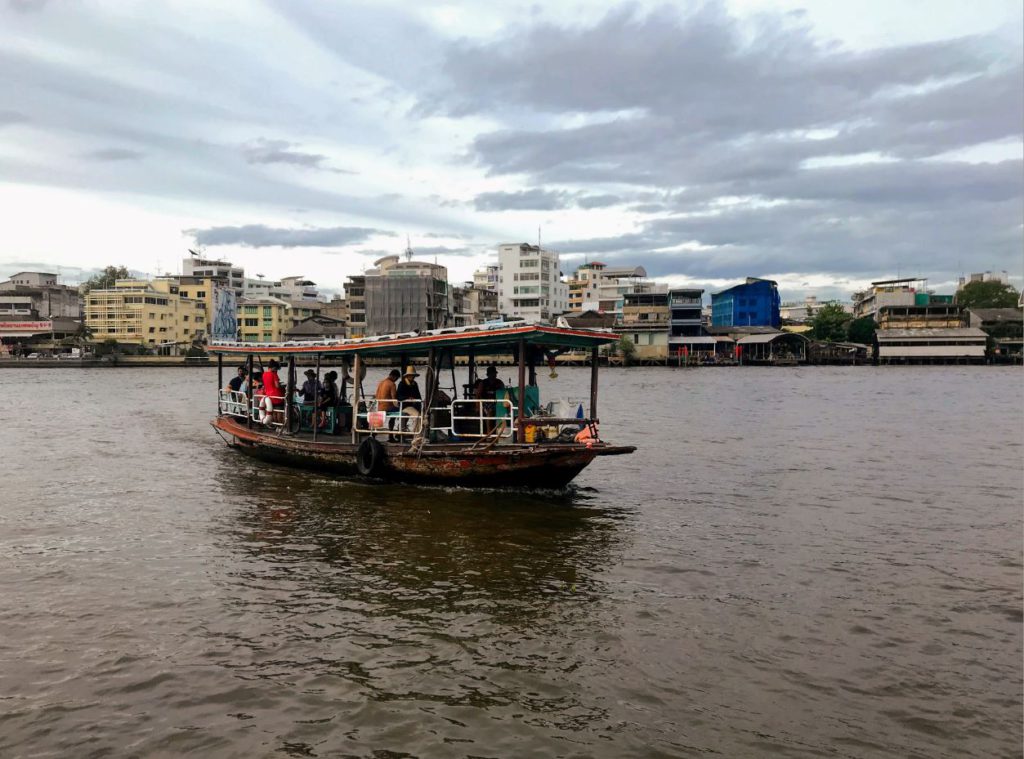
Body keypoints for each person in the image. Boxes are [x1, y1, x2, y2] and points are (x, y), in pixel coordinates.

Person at [473, 365, 505, 433]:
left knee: (504, 412)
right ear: (488, 374)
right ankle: (489, 433)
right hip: (486, 403)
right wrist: (477, 406)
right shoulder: (483, 383)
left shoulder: (499, 383)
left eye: (494, 373)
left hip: (498, 402)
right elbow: (477, 395)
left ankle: (501, 432)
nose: (493, 375)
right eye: (491, 373)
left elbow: (504, 393)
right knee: (489, 412)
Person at [396, 365, 422, 433]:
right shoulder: (402, 384)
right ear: (407, 376)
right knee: (417, 416)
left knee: (425, 417)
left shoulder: (415, 384)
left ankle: (420, 433)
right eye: (411, 375)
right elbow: (398, 397)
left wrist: (419, 403)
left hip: (414, 406)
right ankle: (417, 436)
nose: (412, 377)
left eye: (413, 375)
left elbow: (418, 396)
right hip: (405, 406)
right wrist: (407, 398)